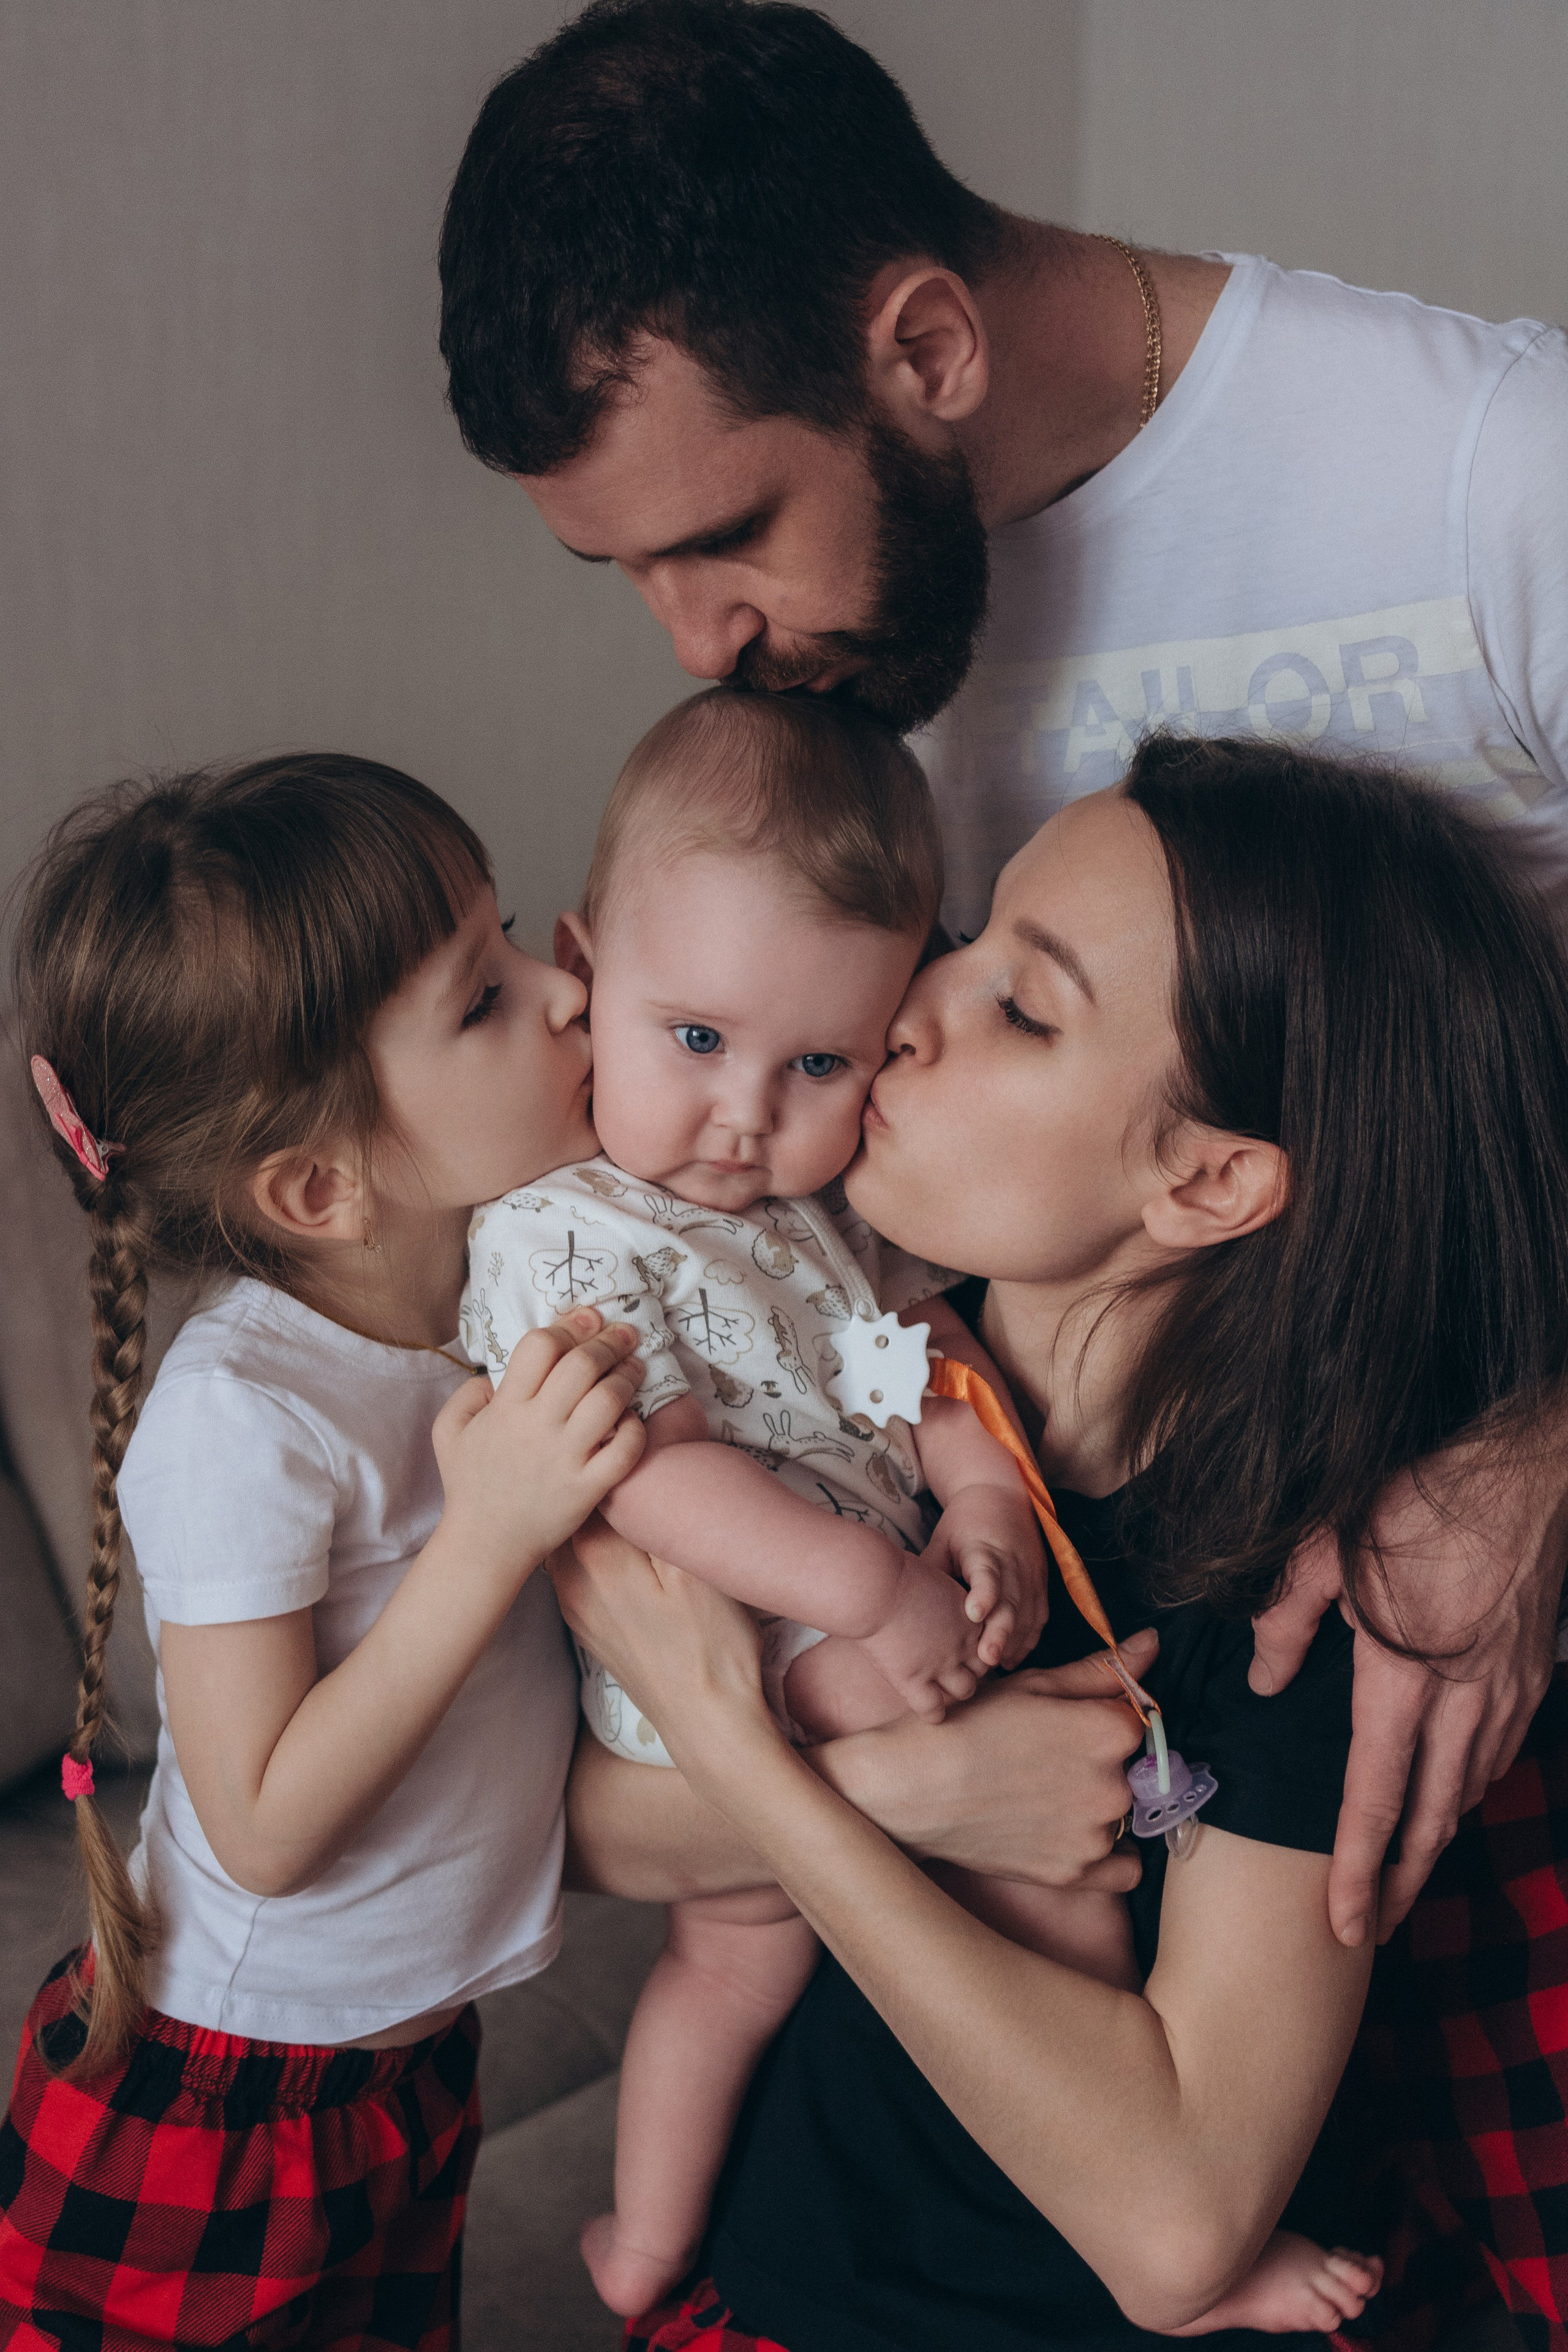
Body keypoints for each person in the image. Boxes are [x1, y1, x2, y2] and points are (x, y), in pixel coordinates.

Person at [437, 0, 1568, 1969]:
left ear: (928, 348)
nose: (702, 639)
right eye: (626, 573)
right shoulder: (840, 684)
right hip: (1049, 1574)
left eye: (725, 539)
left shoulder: (1505, 478)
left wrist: (1537, 1445)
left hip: (1444, 1557)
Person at [551, 733, 1568, 2348]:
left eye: (1020, 1008)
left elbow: (1177, 2230)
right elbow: (565, 1829)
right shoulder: (832, 1345)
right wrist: (907, 1795)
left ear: (1209, 1179)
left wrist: (755, 1769)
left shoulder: (1309, 1586)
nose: (907, 1013)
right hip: (785, 2263)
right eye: (963, 942)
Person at [0, 755, 649, 2350]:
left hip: (400, 2063)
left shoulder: (486, 1305)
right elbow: (266, 1822)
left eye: (511, 941)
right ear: (315, 1185)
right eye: (482, 999)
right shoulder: (247, 1414)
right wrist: (486, 1538)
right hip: (233, 2114)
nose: (565, 993)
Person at [464, 687, 1066, 2314]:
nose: (748, 1112)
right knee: (993, 1775)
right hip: (723, 1664)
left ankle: (642, 2241)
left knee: (729, 1969)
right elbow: (646, 1473)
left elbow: (916, 1357)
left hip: (844, 1623)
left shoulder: (819, 1219)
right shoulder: (564, 1230)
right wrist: (878, 1592)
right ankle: (1073, 2031)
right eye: (699, 1040)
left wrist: (985, 1501)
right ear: (590, 977)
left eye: (819, 1063)